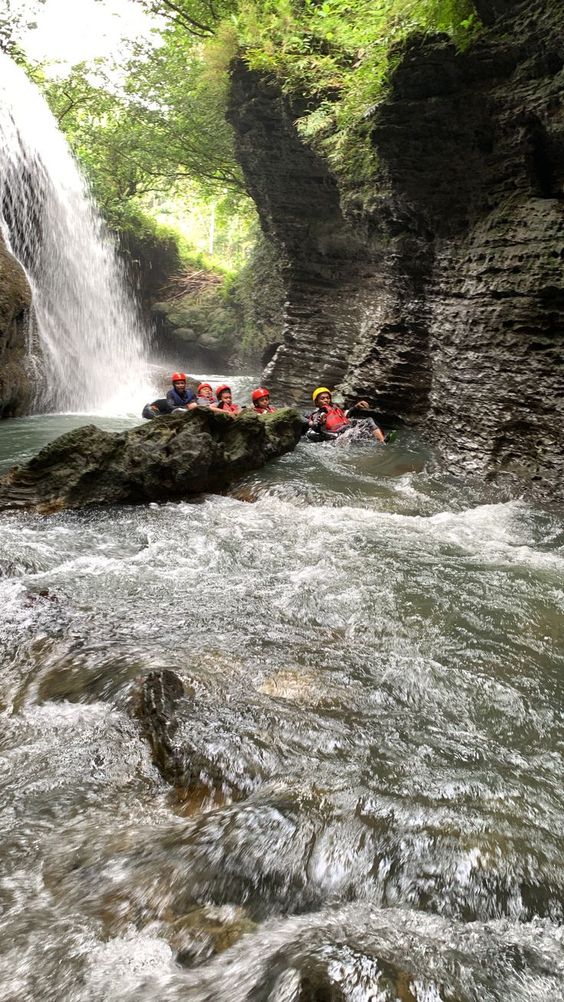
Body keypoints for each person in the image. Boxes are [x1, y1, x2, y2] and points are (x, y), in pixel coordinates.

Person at [308, 387, 385, 443]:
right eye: (322, 398)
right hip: (338, 432)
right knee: (368, 421)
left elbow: (346, 415)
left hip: (347, 427)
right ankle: (382, 442)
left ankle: (381, 440)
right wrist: (320, 422)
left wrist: (356, 407)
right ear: (317, 402)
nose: (326, 400)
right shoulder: (317, 414)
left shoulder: (335, 408)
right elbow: (315, 426)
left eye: (327, 398)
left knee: (369, 420)